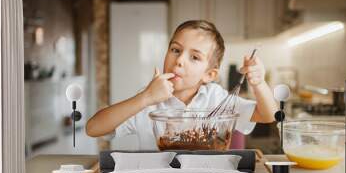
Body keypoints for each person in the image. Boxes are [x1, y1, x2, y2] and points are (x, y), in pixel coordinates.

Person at [86, 20, 278, 149]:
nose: (179, 61)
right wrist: (145, 97)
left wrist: (259, 84)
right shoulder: (148, 101)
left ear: (209, 75)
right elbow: (93, 128)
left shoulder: (216, 98)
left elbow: (268, 115)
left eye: (194, 57)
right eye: (176, 50)